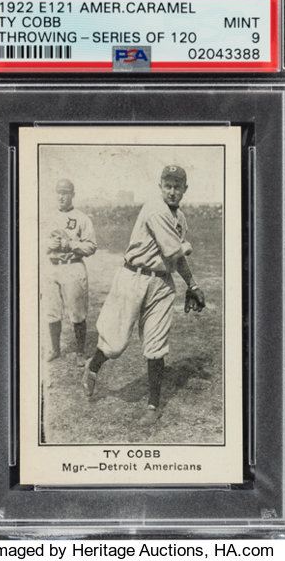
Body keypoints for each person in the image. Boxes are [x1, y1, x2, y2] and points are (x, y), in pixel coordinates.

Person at [82, 165, 205, 425]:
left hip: (161, 284)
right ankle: (93, 366)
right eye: (168, 185)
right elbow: (175, 252)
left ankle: (153, 405)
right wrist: (187, 246)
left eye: (177, 186)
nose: (172, 191)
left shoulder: (180, 218)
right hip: (132, 278)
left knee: (156, 346)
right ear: (160, 186)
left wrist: (192, 285)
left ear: (185, 189)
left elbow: (176, 260)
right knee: (114, 345)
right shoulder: (155, 208)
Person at [44, 178, 97, 366]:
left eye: (65, 192)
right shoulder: (48, 216)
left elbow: (91, 247)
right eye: (59, 192)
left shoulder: (82, 218)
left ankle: (80, 352)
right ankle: (55, 349)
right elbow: (35, 241)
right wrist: (47, 245)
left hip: (73, 266)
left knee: (77, 312)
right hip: (52, 267)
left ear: (72, 195)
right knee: (51, 311)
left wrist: (71, 244)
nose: (61, 196)